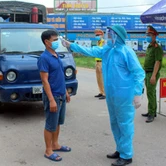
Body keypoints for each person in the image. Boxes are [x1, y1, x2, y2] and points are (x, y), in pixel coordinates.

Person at [61, 25, 145, 166]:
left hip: (125, 94)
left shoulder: (126, 52)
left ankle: (127, 155)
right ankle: (120, 149)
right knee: (115, 123)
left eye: (111, 35)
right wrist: (71, 46)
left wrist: (137, 93)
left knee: (124, 124)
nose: (108, 37)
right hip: (112, 94)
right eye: (108, 34)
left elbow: (139, 73)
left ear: (118, 36)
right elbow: (91, 51)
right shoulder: (108, 51)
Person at [37, 30, 71, 162]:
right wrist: (51, 100)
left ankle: (56, 144)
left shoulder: (55, 54)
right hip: (53, 96)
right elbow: (45, 81)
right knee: (50, 124)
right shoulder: (44, 58)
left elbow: (60, 75)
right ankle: (48, 150)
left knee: (57, 123)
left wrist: (66, 92)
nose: (57, 42)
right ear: (47, 42)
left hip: (61, 94)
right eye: (55, 40)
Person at [141, 25, 163, 123]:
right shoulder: (150, 47)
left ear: (154, 36)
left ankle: (151, 113)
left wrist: (153, 75)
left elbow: (157, 62)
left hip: (152, 73)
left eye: (149, 35)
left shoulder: (157, 48)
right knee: (151, 93)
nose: (147, 36)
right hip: (147, 72)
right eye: (147, 34)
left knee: (151, 93)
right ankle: (152, 111)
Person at [94, 29, 106, 100]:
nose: (97, 36)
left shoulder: (104, 42)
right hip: (97, 62)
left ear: (102, 35)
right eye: (96, 35)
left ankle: (104, 93)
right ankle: (101, 92)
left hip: (102, 62)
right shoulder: (97, 42)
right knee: (98, 78)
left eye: (98, 35)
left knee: (102, 78)